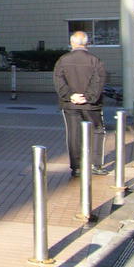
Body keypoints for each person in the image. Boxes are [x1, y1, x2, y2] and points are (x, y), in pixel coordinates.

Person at [53, 31, 108, 176]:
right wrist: (88, 97)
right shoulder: (95, 60)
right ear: (87, 43)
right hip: (91, 105)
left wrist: (70, 95)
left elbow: (58, 81)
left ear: (72, 43)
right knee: (97, 130)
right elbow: (99, 80)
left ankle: (76, 167)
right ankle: (96, 164)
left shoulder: (62, 60)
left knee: (73, 133)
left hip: (70, 104)